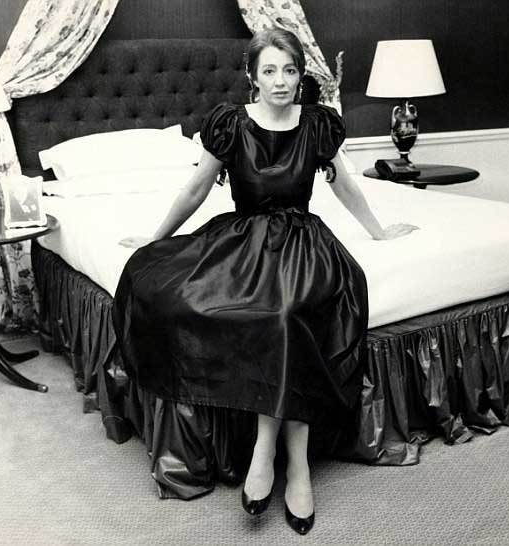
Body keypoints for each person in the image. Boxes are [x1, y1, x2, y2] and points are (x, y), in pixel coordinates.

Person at [114, 28, 418, 535]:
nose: (281, 81)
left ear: (300, 76)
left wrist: (379, 232)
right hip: (245, 241)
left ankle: (273, 455)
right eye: (270, 71)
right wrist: (154, 238)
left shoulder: (318, 124)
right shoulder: (231, 124)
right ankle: (288, 461)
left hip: (303, 242)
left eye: (290, 70)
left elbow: (345, 187)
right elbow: (195, 189)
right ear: (252, 77)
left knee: (288, 312)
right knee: (259, 311)